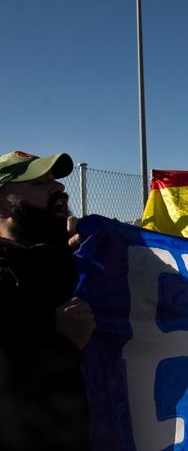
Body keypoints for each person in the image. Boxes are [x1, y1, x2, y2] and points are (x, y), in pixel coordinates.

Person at [0, 151, 95, 450]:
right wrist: (66, 344)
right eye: (40, 183)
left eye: (55, 181)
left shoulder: (55, 255)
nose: (59, 189)